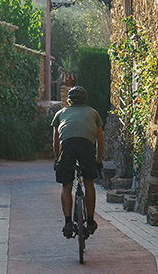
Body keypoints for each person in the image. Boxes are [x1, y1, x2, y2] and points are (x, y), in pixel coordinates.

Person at [52, 85, 104, 239]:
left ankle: (68, 222)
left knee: (66, 185)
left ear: (69, 100)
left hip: (67, 146)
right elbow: (100, 140)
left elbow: (56, 141)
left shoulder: (61, 113)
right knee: (89, 183)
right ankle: (90, 220)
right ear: (85, 100)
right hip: (86, 147)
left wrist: (57, 160)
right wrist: (98, 161)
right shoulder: (93, 113)